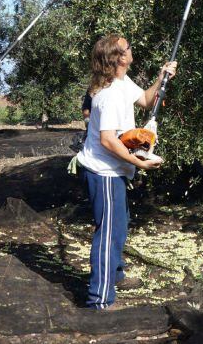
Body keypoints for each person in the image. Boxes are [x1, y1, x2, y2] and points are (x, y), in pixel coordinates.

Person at [71, 35, 176, 310]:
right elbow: (107, 140)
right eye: (128, 47)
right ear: (119, 58)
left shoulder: (122, 82)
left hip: (115, 170)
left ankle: (114, 275)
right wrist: (139, 162)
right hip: (103, 172)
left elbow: (145, 99)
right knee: (108, 232)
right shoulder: (108, 96)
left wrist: (162, 76)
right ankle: (100, 298)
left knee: (120, 224)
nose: (131, 50)